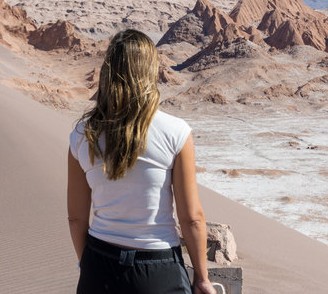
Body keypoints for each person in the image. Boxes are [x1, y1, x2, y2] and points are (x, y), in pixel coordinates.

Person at [67, 29, 217, 294]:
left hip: (99, 266)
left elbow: (76, 218)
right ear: (151, 72)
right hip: (156, 269)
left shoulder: (82, 135)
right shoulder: (176, 132)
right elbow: (191, 218)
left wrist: (87, 266)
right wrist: (202, 279)